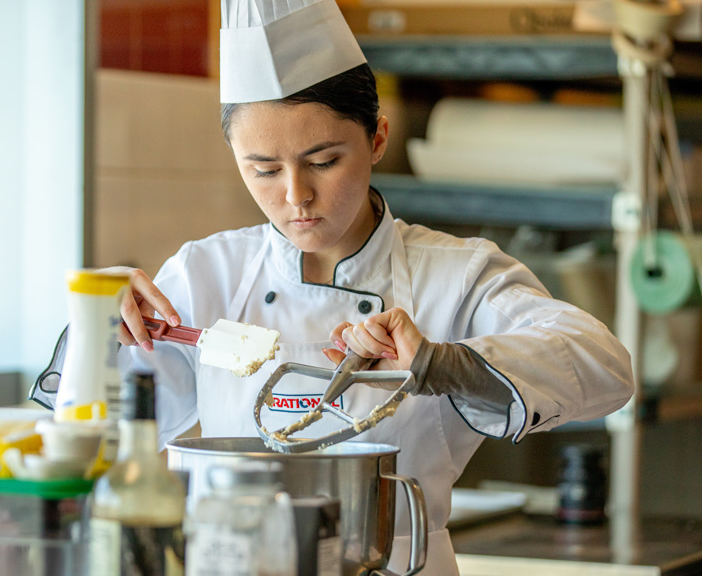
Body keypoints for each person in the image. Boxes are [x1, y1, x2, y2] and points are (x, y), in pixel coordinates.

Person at [102, 1, 633, 574]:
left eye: (324, 161)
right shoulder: (206, 274)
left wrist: (440, 363)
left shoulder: (454, 275)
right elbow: (89, 428)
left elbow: (606, 367)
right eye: (263, 169)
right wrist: (96, 324)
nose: (296, 195)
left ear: (377, 139)